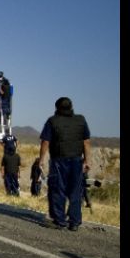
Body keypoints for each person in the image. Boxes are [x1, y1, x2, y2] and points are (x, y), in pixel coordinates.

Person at [39, 97, 91, 231]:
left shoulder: (52, 121)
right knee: (75, 191)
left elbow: (45, 141)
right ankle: (74, 222)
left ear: (57, 108)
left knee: (58, 190)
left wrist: (41, 159)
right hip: (76, 160)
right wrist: (87, 160)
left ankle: (60, 221)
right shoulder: (81, 120)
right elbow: (86, 142)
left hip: (59, 161)